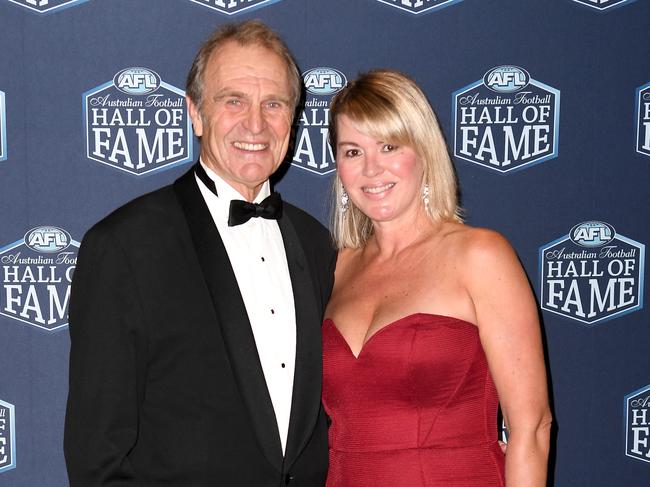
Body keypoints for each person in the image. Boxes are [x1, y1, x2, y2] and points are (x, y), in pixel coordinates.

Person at [64, 21, 336, 487]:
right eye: (234, 101)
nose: (256, 124)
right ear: (195, 113)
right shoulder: (124, 247)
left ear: (293, 118)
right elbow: (97, 455)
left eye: (273, 103)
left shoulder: (317, 244)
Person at [322, 69, 552, 487]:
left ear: (424, 151)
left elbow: (531, 428)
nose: (372, 169)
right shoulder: (334, 269)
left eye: (389, 146)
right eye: (352, 152)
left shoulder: (479, 255)